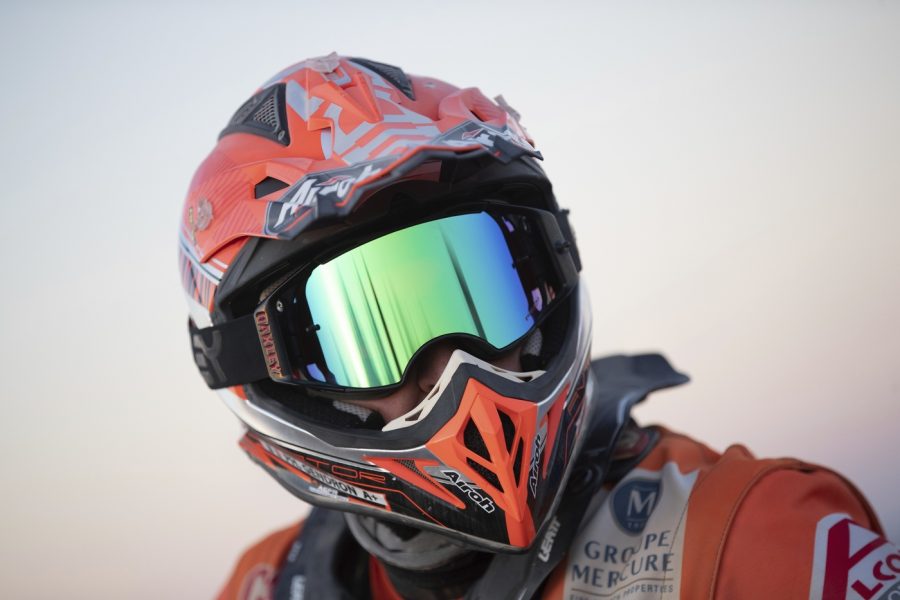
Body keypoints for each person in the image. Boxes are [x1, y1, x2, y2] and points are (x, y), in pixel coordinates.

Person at [181, 54, 897, 600]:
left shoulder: (754, 537)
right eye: (373, 337)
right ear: (275, 381)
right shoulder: (264, 585)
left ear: (548, 267)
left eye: (482, 292)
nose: (455, 370)